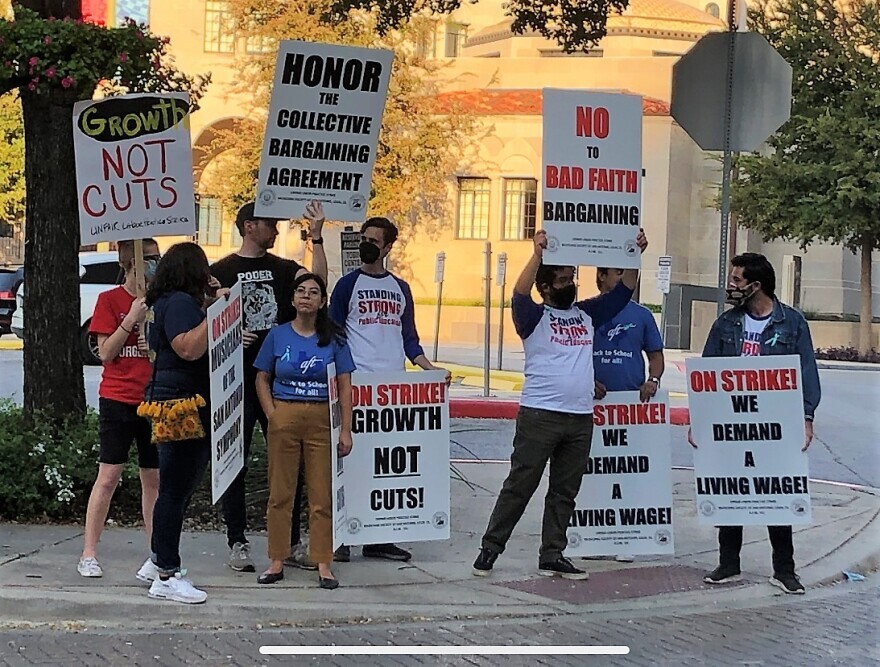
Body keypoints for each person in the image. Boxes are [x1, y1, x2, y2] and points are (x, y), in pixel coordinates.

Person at [472, 229, 648, 579]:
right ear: (547, 287)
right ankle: (490, 547)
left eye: (572, 278)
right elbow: (518, 293)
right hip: (540, 414)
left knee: (565, 491)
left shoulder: (586, 314)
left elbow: (624, 291)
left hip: (579, 417)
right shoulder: (533, 317)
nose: (571, 284)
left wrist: (635, 255)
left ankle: (552, 552)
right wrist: (536, 254)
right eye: (564, 279)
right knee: (521, 484)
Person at [689, 252, 820, 595]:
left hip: (776, 423)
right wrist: (699, 419)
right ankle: (728, 562)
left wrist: (806, 418)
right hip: (732, 420)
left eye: (736, 280)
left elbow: (807, 372)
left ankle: (785, 569)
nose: (731, 286)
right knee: (730, 489)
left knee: (777, 490)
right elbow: (708, 373)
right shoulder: (726, 324)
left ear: (756, 285)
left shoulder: (791, 323)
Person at [211, 200, 327, 573]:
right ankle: (237, 541)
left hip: (281, 383)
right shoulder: (221, 271)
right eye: (268, 223)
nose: (276, 229)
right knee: (235, 463)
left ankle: (290, 542)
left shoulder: (284, 269)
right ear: (248, 226)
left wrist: (318, 238)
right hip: (236, 382)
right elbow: (202, 325)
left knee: (287, 464)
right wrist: (228, 331)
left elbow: (317, 285)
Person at [328, 215, 450, 563]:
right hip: (356, 388)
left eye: (375, 240)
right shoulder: (347, 286)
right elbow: (335, 334)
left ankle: (379, 537)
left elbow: (409, 339)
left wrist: (431, 370)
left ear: (388, 247)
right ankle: (342, 536)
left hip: (392, 390)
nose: (367, 243)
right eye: (364, 237)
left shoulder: (401, 288)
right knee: (350, 461)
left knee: (384, 465)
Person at [254, 273, 354, 589]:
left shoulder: (334, 339)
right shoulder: (278, 336)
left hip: (322, 416)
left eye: (313, 292)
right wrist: (272, 414)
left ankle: (323, 562)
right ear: (293, 299)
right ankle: (276, 560)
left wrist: (346, 429)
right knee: (281, 492)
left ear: (322, 301)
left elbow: (345, 385)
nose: (306, 296)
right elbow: (261, 377)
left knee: (320, 494)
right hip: (285, 412)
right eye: (300, 291)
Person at [143, 242, 228, 604]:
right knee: (175, 490)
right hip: (181, 403)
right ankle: (166, 573)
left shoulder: (167, 302)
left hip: (172, 397)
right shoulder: (179, 303)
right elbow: (188, 347)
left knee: (176, 486)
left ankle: (156, 559)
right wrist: (217, 311)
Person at [78, 239, 162, 580]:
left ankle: (158, 555)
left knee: (152, 479)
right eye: (151, 260)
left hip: (153, 398)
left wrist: (152, 344)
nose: (157, 264)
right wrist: (130, 320)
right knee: (109, 475)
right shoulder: (108, 300)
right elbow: (105, 352)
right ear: (132, 265)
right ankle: (88, 553)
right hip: (117, 398)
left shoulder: (163, 302)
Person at [590, 266, 665, 563]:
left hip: (630, 409)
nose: (623, 280)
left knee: (626, 473)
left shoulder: (642, 315)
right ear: (601, 278)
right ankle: (595, 539)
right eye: (616, 274)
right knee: (593, 473)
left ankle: (625, 537)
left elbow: (656, 356)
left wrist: (653, 380)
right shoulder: (586, 312)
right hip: (593, 408)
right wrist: (586, 382)